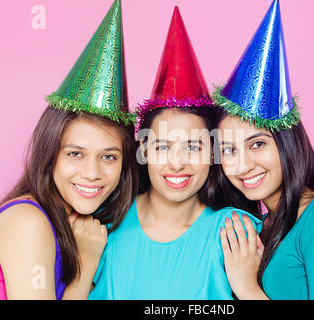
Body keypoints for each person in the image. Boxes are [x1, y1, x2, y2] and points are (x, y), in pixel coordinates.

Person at [0, 0, 138, 300]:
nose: (93, 173)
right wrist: (84, 266)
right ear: (50, 154)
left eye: (109, 156)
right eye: (75, 153)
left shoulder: (69, 223)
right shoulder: (29, 223)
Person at [89, 6, 261, 300]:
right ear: (142, 150)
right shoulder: (103, 223)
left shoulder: (234, 231)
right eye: (163, 146)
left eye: (193, 147)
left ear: (212, 153)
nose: (177, 163)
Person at [211, 0, 314, 300]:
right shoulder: (263, 226)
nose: (242, 165)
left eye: (257, 144)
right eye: (228, 151)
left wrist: (248, 288)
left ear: (287, 143)